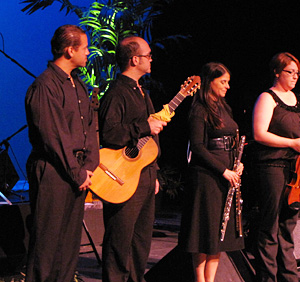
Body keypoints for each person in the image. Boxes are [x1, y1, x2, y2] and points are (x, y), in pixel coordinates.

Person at [24, 24, 99, 282]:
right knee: (47, 245)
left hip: (76, 172)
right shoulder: (45, 86)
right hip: (55, 172)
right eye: (85, 47)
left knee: (69, 247)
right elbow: (54, 137)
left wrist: (89, 165)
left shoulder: (78, 86)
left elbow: (89, 128)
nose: (88, 52)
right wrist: (77, 173)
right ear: (70, 50)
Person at [98, 36, 167, 282]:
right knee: (120, 239)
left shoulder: (142, 92)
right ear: (134, 59)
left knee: (140, 241)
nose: (151, 59)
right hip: (124, 177)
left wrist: (154, 171)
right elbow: (110, 134)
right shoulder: (116, 93)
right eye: (147, 55)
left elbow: (150, 140)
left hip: (145, 175)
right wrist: (143, 125)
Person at [251, 52, 300, 282]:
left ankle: (289, 277)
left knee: (288, 223)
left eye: (297, 73)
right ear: (277, 72)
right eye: (290, 72)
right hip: (272, 165)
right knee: (270, 223)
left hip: (297, 168)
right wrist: (291, 143)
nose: (295, 77)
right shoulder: (267, 98)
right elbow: (259, 134)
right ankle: (267, 277)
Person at [178, 62, 244, 282]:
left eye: (228, 82)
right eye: (223, 82)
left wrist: (237, 163)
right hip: (207, 177)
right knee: (203, 231)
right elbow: (197, 147)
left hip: (226, 174)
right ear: (210, 82)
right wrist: (223, 170)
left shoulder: (224, 106)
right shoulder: (199, 109)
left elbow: (232, 140)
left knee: (218, 233)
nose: (227, 87)